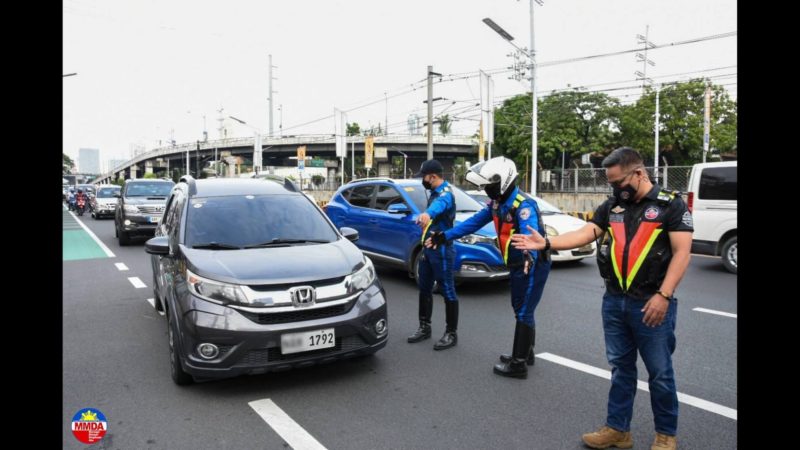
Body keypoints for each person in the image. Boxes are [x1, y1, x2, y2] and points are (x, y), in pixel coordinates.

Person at [511, 147, 692, 450]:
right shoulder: (614, 206)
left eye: (619, 182)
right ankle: (618, 430)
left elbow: (682, 253)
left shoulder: (669, 205)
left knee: (660, 373)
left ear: (638, 173)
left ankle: (666, 435)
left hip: (652, 302)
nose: (615, 188)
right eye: (611, 184)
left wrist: (664, 295)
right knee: (621, 368)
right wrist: (547, 243)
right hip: (615, 301)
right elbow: (588, 231)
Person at [427, 156, 551, 379]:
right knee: (520, 308)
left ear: (503, 181)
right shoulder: (498, 204)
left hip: (530, 264)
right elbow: (472, 223)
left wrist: (528, 256)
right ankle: (527, 352)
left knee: (523, 310)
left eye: (489, 185)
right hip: (516, 264)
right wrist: (444, 236)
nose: (486, 190)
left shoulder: (523, 205)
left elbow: (529, 233)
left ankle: (518, 364)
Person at [407, 159, 460, 350]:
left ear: (433, 176)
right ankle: (424, 327)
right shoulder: (433, 193)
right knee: (424, 288)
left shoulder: (445, 194)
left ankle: (451, 334)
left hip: (443, 251)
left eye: (424, 176)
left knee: (447, 290)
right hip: (429, 250)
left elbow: (438, 207)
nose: (423, 180)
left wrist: (427, 214)